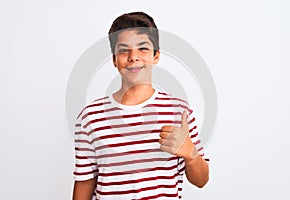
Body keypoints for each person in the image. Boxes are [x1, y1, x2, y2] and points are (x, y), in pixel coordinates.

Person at [72, 11, 209, 200]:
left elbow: (201, 180)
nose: (133, 57)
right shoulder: (90, 117)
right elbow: (85, 182)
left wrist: (190, 153)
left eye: (143, 48)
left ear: (156, 56)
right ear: (114, 59)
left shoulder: (179, 112)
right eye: (123, 50)